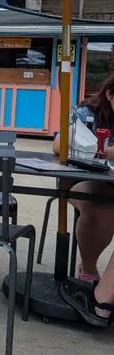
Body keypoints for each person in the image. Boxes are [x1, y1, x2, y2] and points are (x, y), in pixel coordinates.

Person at [52, 73, 114, 284]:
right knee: (102, 206)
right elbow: (58, 145)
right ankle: (88, 268)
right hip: (79, 181)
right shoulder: (87, 113)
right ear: (110, 95)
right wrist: (106, 151)